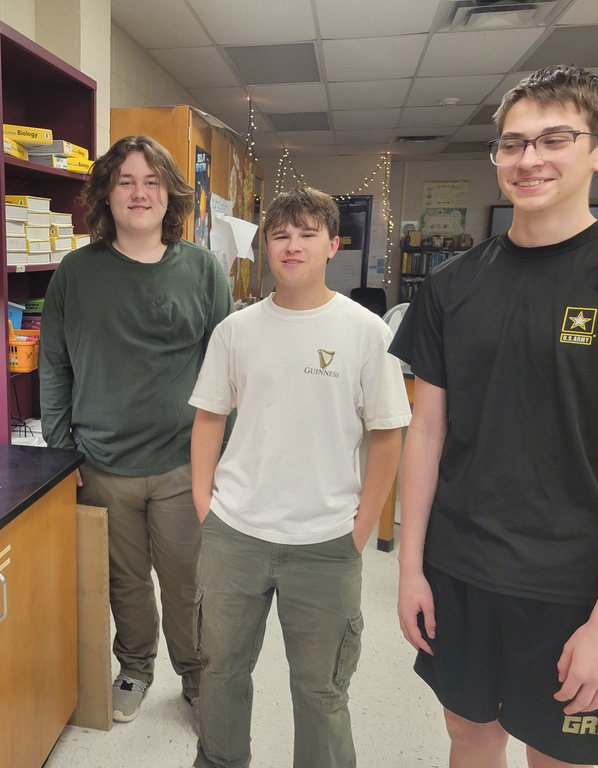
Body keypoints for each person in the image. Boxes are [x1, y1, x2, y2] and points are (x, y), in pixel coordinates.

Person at [391, 64, 598, 767]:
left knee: (556, 756)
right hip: (461, 569)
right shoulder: (450, 288)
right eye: (512, 143)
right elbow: (427, 434)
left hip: (573, 583)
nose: (528, 159)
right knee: (469, 737)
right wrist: (409, 568)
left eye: (553, 139)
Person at [189, 186, 410, 767]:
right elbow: (209, 418)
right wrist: (203, 505)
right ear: (263, 246)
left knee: (320, 689)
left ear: (333, 245)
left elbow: (388, 433)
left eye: (307, 233)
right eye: (279, 235)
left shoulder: (366, 333)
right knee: (220, 673)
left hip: (326, 542)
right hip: (235, 533)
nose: (292, 246)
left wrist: (361, 527)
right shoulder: (235, 331)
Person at [40, 134, 232, 724]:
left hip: (182, 465)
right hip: (102, 463)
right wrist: (61, 453)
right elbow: (54, 366)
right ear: (106, 194)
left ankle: (198, 677)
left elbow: (229, 369)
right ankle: (135, 667)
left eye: (151, 182)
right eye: (125, 181)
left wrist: (223, 457)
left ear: (171, 194)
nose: (139, 193)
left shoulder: (201, 270)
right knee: (124, 581)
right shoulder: (75, 273)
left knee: (187, 582)